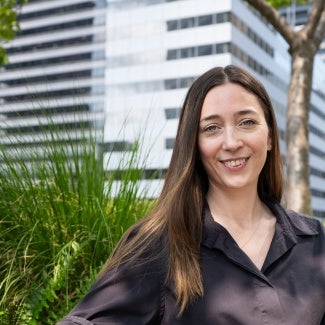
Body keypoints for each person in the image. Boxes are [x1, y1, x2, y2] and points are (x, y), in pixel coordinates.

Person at [57, 65, 325, 325]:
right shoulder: (159, 245)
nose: (231, 142)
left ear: (269, 137)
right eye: (212, 128)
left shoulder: (313, 240)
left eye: (247, 122)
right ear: (194, 144)